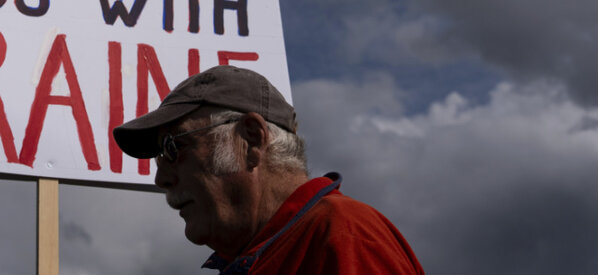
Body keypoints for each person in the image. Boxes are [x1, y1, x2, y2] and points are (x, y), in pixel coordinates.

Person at [113, 65, 424, 274]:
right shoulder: (261, 253)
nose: (161, 178)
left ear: (250, 139)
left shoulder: (344, 236)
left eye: (172, 148)